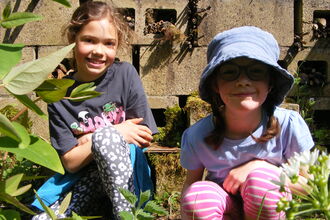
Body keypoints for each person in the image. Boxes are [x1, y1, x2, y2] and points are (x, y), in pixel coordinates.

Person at [31, 1, 157, 219]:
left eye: (109, 44)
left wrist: (94, 139)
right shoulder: (58, 95)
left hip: (127, 183)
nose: (99, 51)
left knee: (107, 137)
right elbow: (70, 162)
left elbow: (144, 135)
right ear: (73, 39)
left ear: (117, 46)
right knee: (41, 218)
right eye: (89, 40)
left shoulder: (125, 74)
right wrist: (109, 134)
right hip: (82, 181)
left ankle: (126, 216)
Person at [180, 26, 314, 220]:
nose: (243, 81)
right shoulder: (198, 135)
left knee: (261, 182)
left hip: (270, 208)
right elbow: (189, 185)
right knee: (197, 196)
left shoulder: (288, 125)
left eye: (256, 71)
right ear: (216, 84)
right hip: (226, 209)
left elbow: (309, 186)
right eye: (230, 72)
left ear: (270, 83)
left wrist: (260, 168)